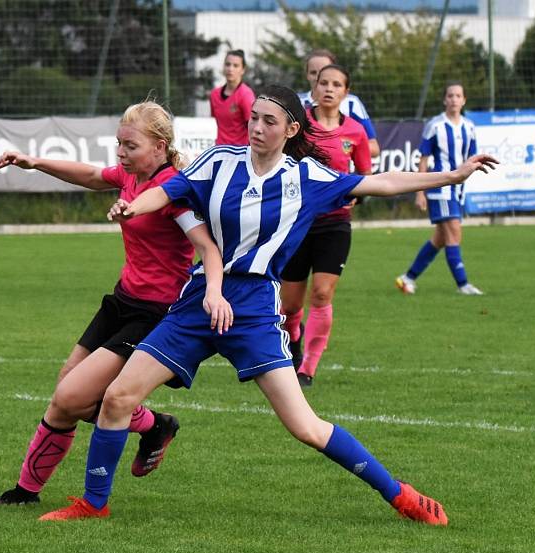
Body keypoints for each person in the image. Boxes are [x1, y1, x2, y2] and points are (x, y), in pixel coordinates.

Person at [38, 85, 497, 525]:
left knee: (306, 427)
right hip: (199, 302)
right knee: (118, 397)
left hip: (254, 310)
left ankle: (399, 494)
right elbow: (169, 190)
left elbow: (383, 182)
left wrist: (452, 176)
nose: (255, 126)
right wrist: (133, 206)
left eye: (268, 120)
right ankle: (93, 504)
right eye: (253, 117)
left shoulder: (308, 178)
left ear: (291, 130)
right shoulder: (219, 162)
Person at [0, 102, 232, 507]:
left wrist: (213, 291)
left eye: (130, 145)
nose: (120, 153)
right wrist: (34, 162)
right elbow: (93, 175)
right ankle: (25, 493)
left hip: (154, 315)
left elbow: (207, 247)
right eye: (118, 143)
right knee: (67, 389)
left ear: (159, 147)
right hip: (121, 301)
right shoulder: (131, 177)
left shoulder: (175, 192)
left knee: (72, 397)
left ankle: (150, 428)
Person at [281, 64, 371, 388]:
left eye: (337, 84)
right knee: (289, 304)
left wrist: (355, 197)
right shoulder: (299, 126)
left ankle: (308, 367)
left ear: (346, 92)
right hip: (298, 222)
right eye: (324, 83)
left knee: (321, 294)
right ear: (314, 87)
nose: (329, 89)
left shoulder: (356, 132)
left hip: (335, 226)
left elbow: (364, 176)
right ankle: (292, 340)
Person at [396, 82, 483, 296]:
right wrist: (420, 192)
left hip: (458, 190)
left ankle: (407, 278)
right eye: (450, 95)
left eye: (458, 95)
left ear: (464, 100)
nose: (454, 99)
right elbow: (423, 160)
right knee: (454, 233)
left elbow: (472, 159)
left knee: (440, 239)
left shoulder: (469, 127)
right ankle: (463, 285)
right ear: (445, 100)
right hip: (441, 187)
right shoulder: (435, 125)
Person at [297, 49, 380, 158]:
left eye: (323, 71)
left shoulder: (352, 103)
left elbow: (374, 148)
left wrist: (342, 147)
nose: (318, 76)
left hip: (343, 173)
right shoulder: (296, 102)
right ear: (307, 75)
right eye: (313, 72)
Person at [210, 49, 256, 146]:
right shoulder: (214, 94)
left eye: (235, 65)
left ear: (243, 69)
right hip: (220, 150)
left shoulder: (246, 94)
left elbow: (253, 126)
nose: (230, 69)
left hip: (239, 151)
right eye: (228, 64)